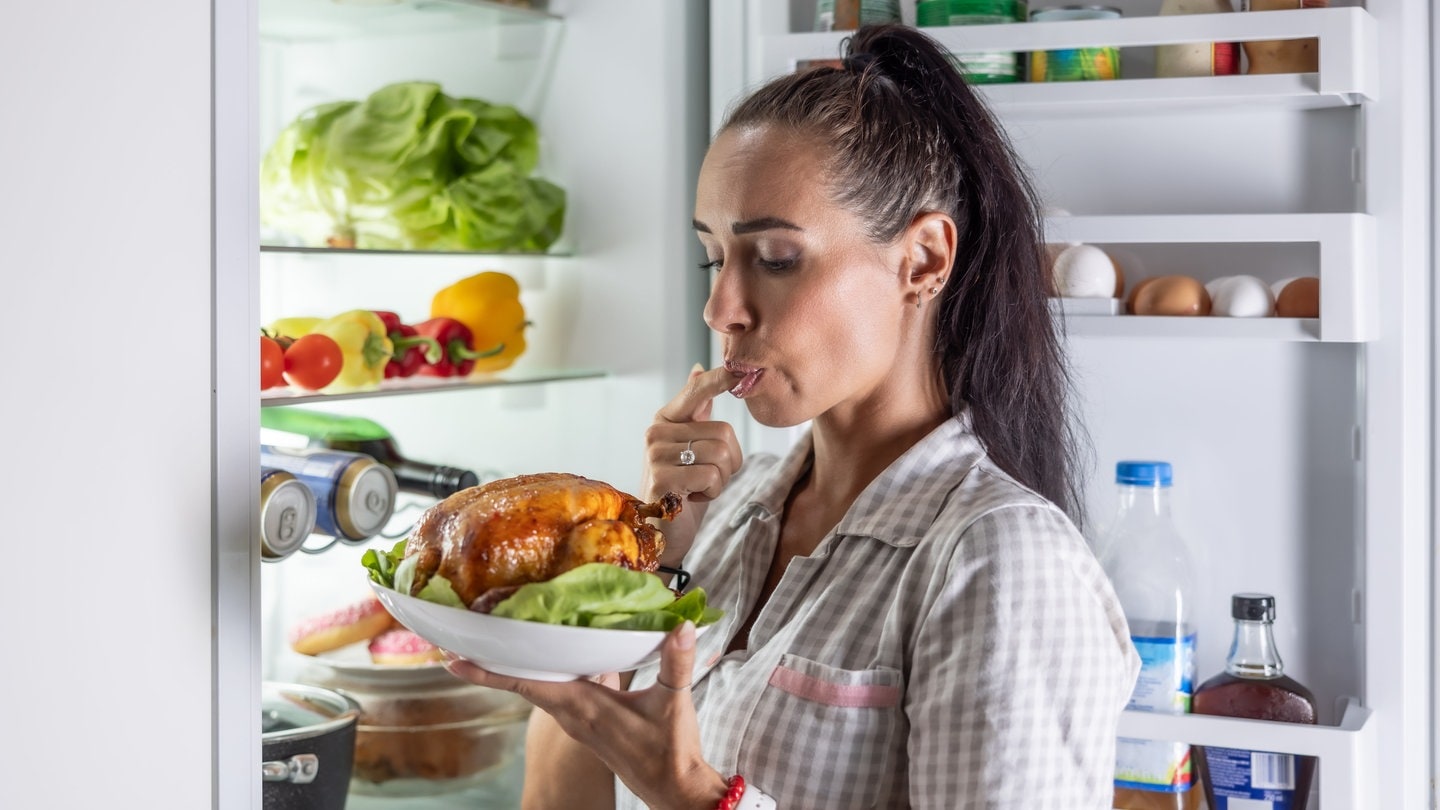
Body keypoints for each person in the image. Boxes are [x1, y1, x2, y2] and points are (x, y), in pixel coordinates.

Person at [444, 23, 1140, 809]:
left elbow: (673, 786)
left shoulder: (1002, 560)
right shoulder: (729, 512)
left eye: (775, 258)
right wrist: (627, 573)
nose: (721, 307)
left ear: (923, 261)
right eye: (714, 256)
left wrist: (698, 796)